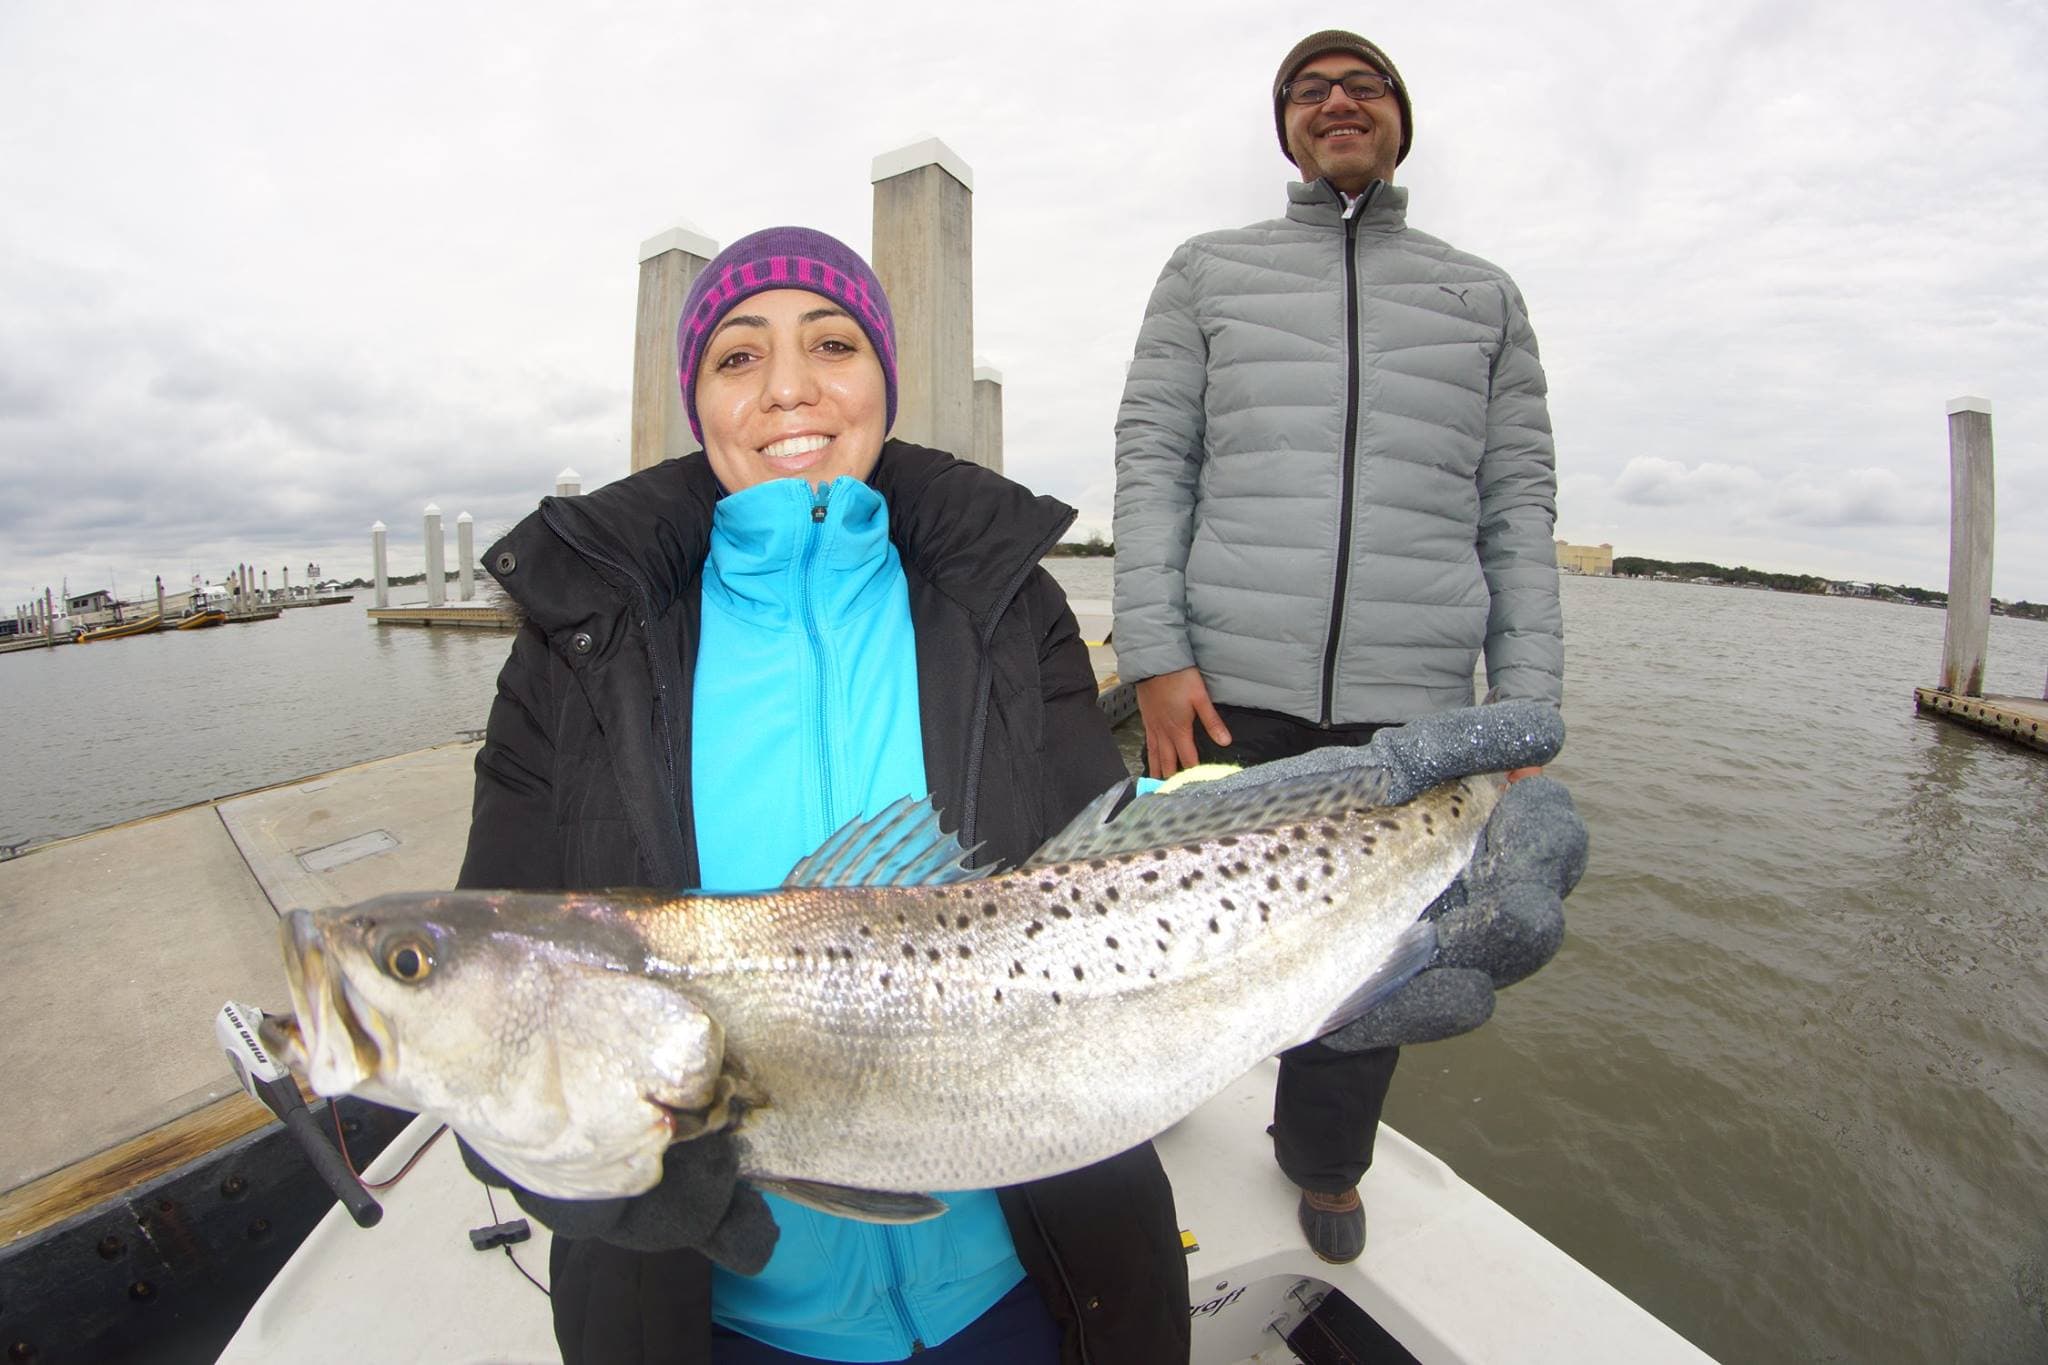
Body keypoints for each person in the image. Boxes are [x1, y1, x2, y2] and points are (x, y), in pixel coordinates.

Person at [458, 227, 1192, 1364]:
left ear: (885, 383)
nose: (789, 388)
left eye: (833, 344)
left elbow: (1117, 891)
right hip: (714, 1324)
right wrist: (573, 1165)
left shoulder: (1013, 608)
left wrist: (1348, 959)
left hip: (1035, 1284)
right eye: (738, 356)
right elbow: (489, 996)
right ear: (697, 403)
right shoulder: (571, 655)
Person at [1112, 29, 1565, 1266]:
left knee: (1370, 958)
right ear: (1286, 130)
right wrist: (1153, 654)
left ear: (1400, 120)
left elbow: (1515, 506)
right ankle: (1139, 1102)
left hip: (1414, 711)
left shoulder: (1483, 297)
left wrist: (1523, 705)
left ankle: (1322, 1159)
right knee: (1166, 926)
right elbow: (1154, 463)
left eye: (1362, 86)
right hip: (1222, 686)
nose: (1336, 102)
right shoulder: (1205, 271)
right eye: (1308, 91)